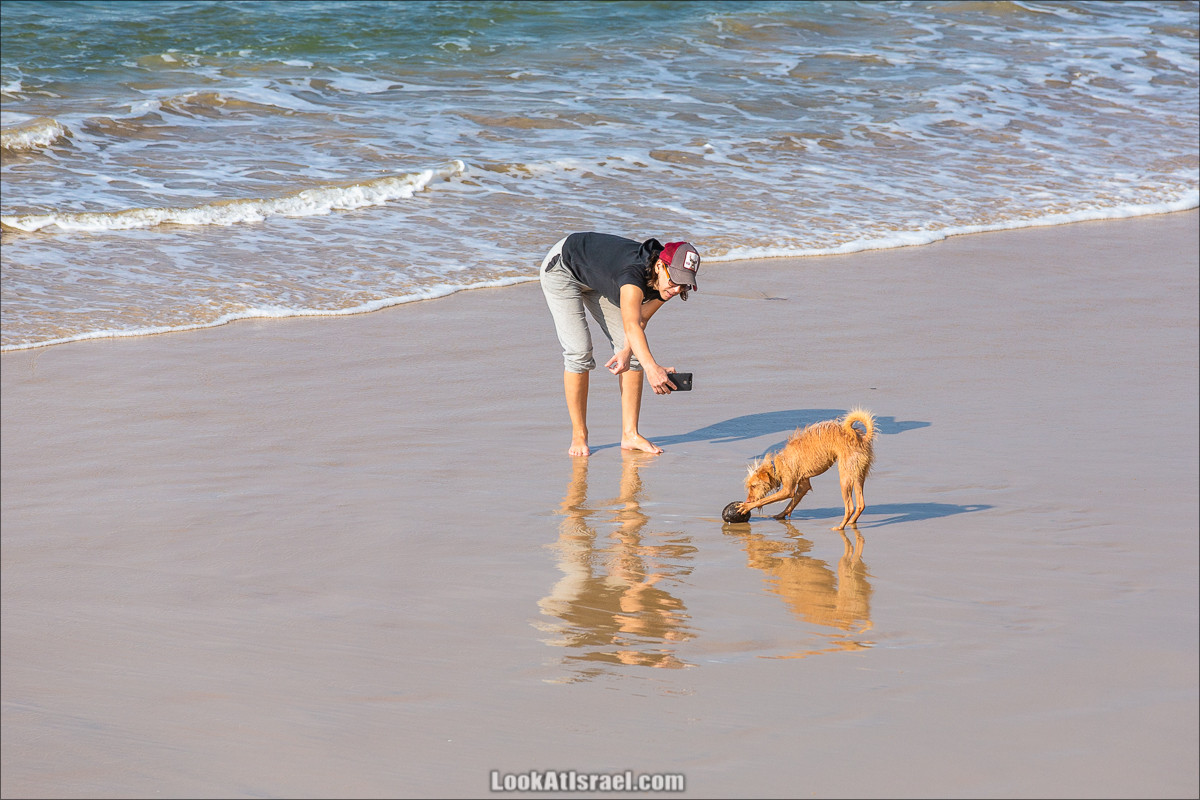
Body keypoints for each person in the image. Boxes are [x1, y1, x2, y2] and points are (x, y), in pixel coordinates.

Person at [540, 231, 700, 457]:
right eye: (674, 281)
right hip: (563, 268)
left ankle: (630, 435)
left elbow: (641, 319)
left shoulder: (666, 285)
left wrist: (626, 351)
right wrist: (652, 368)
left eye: (684, 285)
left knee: (634, 353)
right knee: (579, 352)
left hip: (598, 277)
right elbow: (632, 325)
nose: (676, 290)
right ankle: (579, 435)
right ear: (659, 266)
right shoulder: (633, 276)